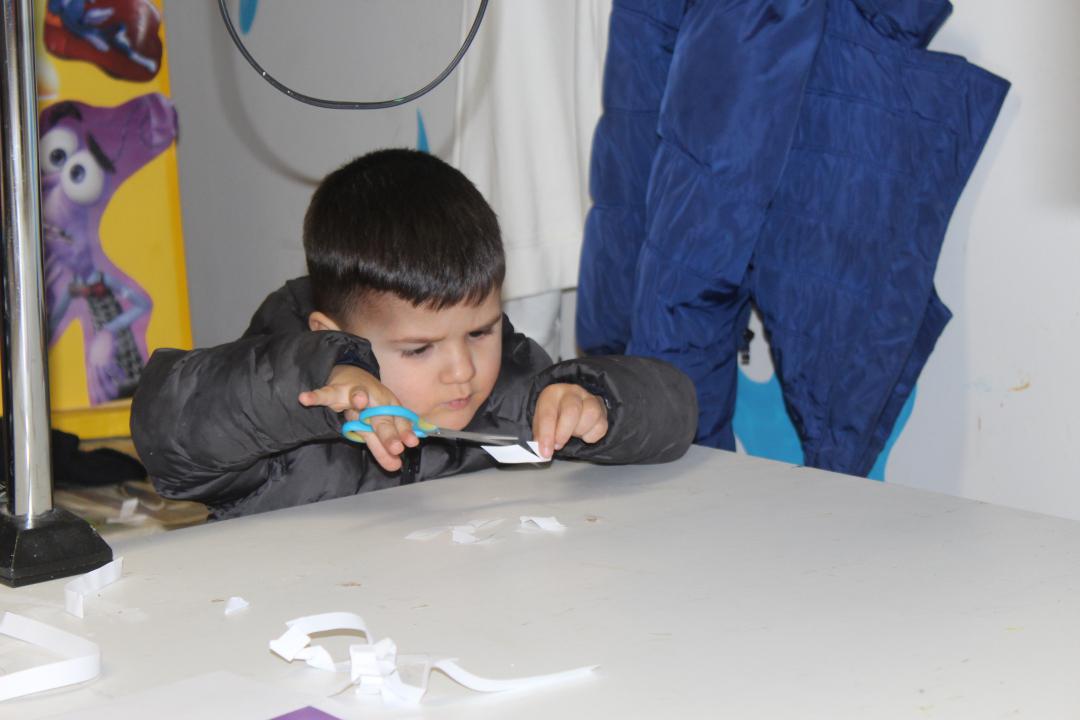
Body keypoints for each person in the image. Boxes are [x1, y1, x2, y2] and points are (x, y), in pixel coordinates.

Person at [131, 149, 697, 519]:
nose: (463, 371)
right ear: (330, 333)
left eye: (481, 331)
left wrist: (597, 403)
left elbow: (675, 410)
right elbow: (168, 430)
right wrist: (321, 376)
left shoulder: (514, 393)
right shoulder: (283, 440)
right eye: (420, 349)